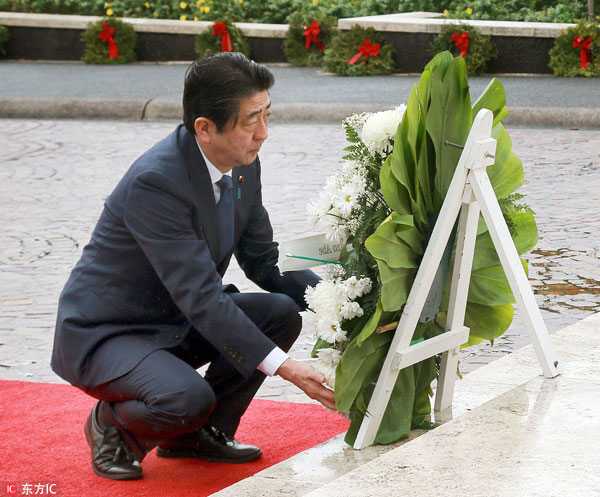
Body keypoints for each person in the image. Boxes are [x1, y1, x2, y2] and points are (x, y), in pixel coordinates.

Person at [50, 52, 336, 481]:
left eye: (267, 115)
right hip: (110, 332)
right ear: (204, 128)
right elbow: (201, 296)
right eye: (250, 121)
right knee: (185, 398)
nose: (264, 134)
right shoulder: (157, 181)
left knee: (278, 313)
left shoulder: (242, 165)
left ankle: (197, 436)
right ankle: (114, 427)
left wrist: (338, 305)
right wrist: (287, 369)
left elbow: (265, 261)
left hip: (176, 319)